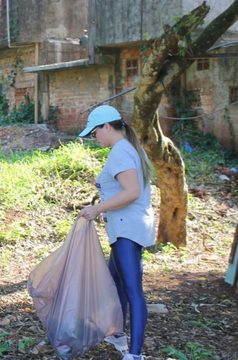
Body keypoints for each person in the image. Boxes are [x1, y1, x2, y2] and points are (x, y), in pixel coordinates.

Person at [78, 105, 155, 360]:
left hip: (126, 229)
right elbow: (126, 187)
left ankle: (135, 354)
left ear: (107, 127)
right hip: (127, 226)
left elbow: (131, 192)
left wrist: (97, 208)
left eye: (95, 132)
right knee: (116, 282)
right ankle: (117, 333)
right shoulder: (128, 149)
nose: (94, 138)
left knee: (133, 289)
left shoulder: (120, 152)